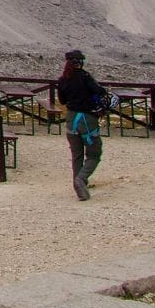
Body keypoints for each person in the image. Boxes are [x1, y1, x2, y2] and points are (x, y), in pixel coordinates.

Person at [56, 49, 115, 200]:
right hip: (87, 119)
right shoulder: (85, 76)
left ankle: (79, 186)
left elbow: (62, 101)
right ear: (80, 62)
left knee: (77, 155)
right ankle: (81, 179)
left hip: (71, 119)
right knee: (94, 154)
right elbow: (100, 91)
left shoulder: (62, 79)